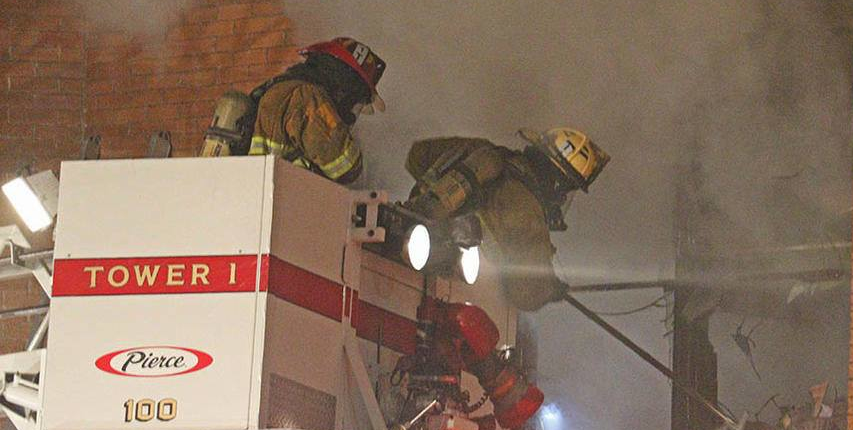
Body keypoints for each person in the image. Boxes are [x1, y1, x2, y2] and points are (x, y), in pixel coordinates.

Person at [404, 128, 609, 311]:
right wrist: (550, 289)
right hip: (448, 291)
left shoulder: (484, 151)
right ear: (557, 182)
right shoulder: (531, 214)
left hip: (403, 230)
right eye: (567, 189)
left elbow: (417, 156)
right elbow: (526, 295)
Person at [248, 37, 386, 184]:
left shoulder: (287, 87)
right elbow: (346, 166)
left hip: (262, 191)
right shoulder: (307, 96)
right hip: (277, 194)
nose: (351, 113)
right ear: (346, 86)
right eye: (354, 99)